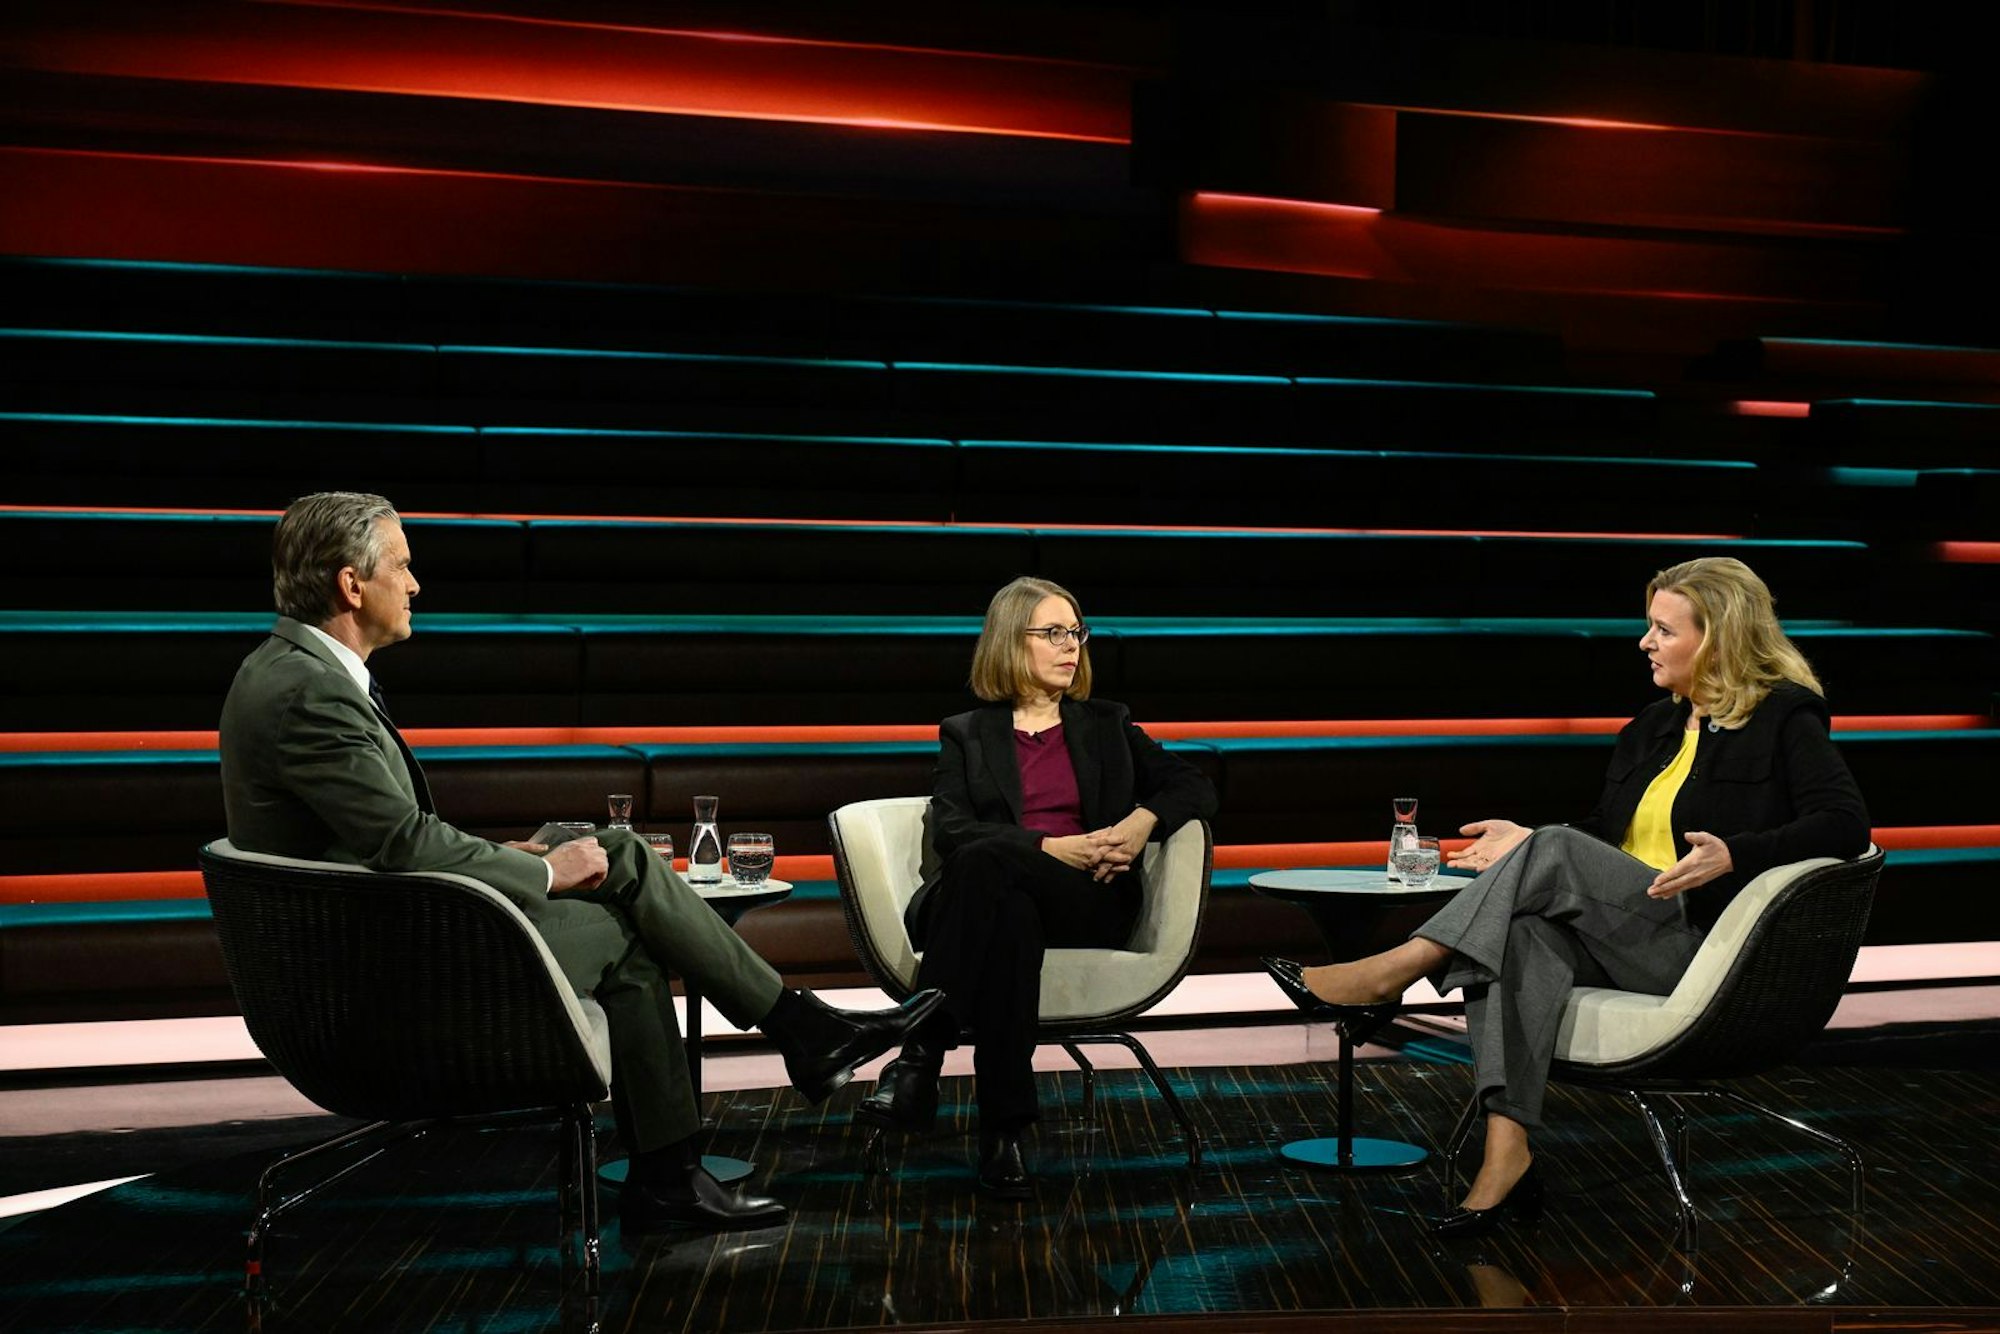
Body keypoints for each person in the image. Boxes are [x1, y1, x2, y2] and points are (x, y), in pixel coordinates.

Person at [218, 492, 943, 1234]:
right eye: (402, 566)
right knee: (632, 938)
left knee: (621, 852)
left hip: (395, 921)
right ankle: (748, 1089)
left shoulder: (291, 671)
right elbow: (401, 844)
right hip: (388, 966)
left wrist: (512, 856)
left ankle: (767, 1070)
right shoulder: (309, 693)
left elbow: (379, 836)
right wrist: (543, 873)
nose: (415, 585)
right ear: (350, 585)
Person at [1263, 556, 1869, 1237]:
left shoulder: (1785, 718)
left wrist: (1737, 853)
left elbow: (1846, 825)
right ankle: (1505, 1157)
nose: (1645, 643)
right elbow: (1604, 838)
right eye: (1649, 628)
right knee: (1517, 938)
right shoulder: (1652, 729)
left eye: (1664, 631)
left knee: (1547, 850)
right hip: (1625, 935)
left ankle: (1393, 969)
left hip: (1700, 948)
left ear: (1719, 638)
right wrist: (1528, 842)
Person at [856, 576, 1217, 1197]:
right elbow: (952, 831)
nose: (1070, 645)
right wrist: (1049, 846)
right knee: (1005, 901)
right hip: (986, 901)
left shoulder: (1106, 724)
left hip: (1084, 898)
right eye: (1052, 632)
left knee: (994, 866)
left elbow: (1196, 785)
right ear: (1009, 643)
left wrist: (1139, 822)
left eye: (1076, 631)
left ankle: (919, 1060)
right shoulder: (967, 732)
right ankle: (1004, 1134)